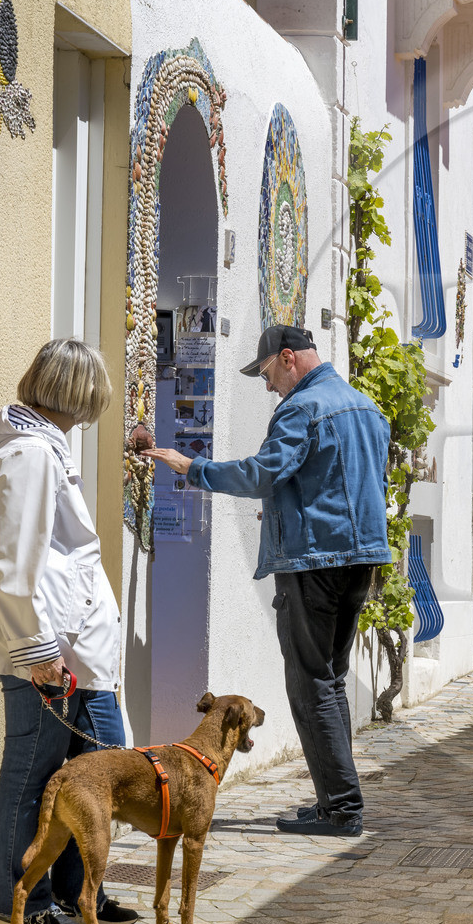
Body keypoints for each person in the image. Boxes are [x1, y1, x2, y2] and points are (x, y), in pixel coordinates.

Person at [146, 325, 390, 837]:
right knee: (329, 680)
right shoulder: (366, 408)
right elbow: (342, 483)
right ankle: (334, 803)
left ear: (287, 359)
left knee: (310, 684)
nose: (267, 386)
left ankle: (343, 808)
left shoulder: (302, 408)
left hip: (313, 563)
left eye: (265, 373)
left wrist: (195, 468)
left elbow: (263, 473)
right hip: (358, 561)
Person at [0, 338, 140, 924]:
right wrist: (36, 651)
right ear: (82, 394)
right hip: (49, 652)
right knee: (34, 772)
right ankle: (22, 895)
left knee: (99, 767)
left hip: (80, 651)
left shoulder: (43, 451)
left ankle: (76, 889)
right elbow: (13, 563)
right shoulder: (31, 456)